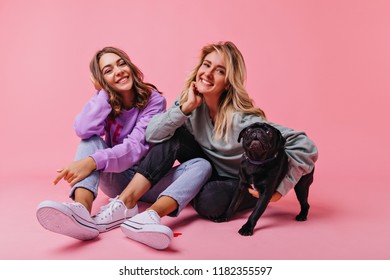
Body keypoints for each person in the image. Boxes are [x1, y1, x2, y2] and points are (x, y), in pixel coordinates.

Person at [90, 41, 318, 250]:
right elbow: (153, 135)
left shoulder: (241, 120)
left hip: (239, 181)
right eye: (206, 65)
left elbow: (305, 145)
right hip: (205, 167)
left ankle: (151, 213)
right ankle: (125, 203)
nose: (208, 73)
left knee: (208, 202)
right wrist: (184, 109)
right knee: (173, 132)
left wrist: (279, 189)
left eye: (219, 70)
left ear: (228, 81)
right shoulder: (190, 102)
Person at [35, 46, 169, 241]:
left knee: (199, 165)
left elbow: (134, 148)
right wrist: (103, 94)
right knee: (90, 140)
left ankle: (115, 208)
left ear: (130, 67)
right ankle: (82, 212)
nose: (118, 71)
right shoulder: (106, 101)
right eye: (108, 71)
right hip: (117, 180)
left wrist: (91, 162)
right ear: (102, 81)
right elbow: (82, 129)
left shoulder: (154, 100)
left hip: (145, 181)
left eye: (121, 64)